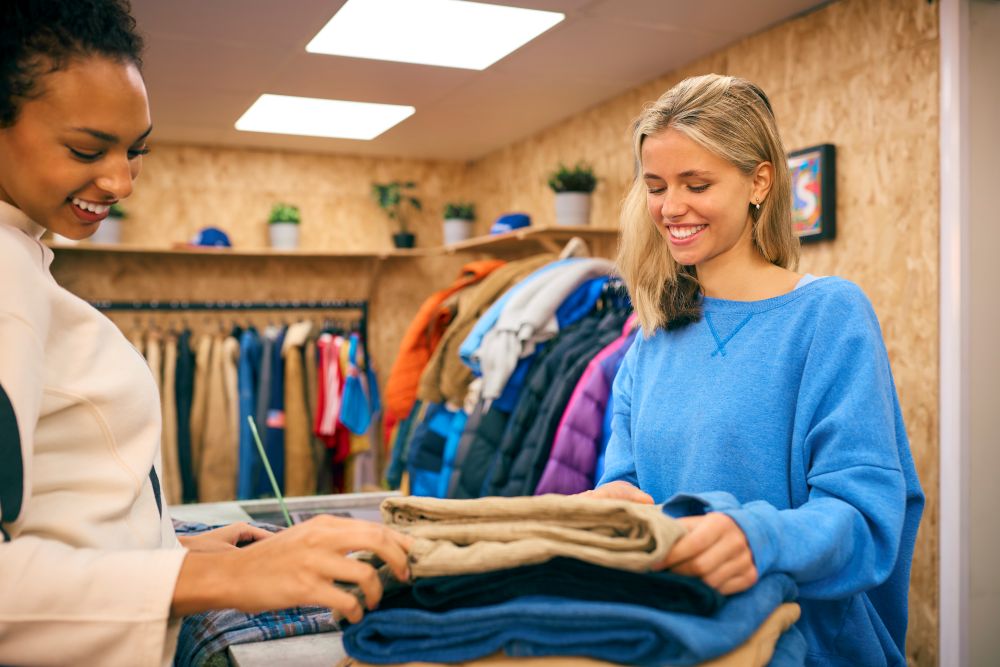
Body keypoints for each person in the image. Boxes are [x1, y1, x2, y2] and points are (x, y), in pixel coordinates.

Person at [0, 2, 411, 665]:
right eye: (86, 148)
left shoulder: (23, 259)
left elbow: (57, 515)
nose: (120, 181)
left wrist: (179, 548)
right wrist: (228, 578)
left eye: (135, 151)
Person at [585, 74, 924, 665]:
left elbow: (866, 521)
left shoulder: (828, 316)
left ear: (758, 182)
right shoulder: (651, 338)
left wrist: (756, 539)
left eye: (697, 184)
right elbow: (629, 486)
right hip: (681, 644)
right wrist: (613, 508)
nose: (670, 208)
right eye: (656, 186)